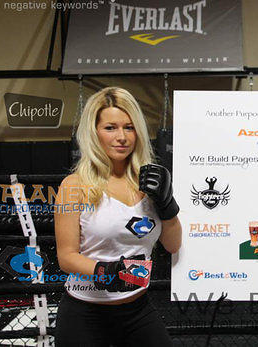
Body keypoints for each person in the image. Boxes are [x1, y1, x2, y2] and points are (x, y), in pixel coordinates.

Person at [54, 87, 181, 346]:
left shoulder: (149, 182)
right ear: (94, 132)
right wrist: (107, 272)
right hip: (85, 312)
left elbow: (173, 245)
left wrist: (167, 205)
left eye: (129, 127)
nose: (121, 137)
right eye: (110, 128)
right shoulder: (74, 186)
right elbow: (66, 257)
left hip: (138, 309)